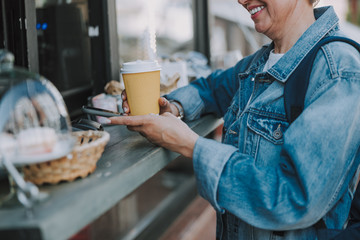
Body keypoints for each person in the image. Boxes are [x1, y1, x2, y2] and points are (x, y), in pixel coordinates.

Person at [111, 1, 360, 239]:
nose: (241, 0)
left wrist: (189, 144)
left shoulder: (338, 70)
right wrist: (173, 107)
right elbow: (212, 87)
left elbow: (295, 198)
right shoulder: (260, 63)